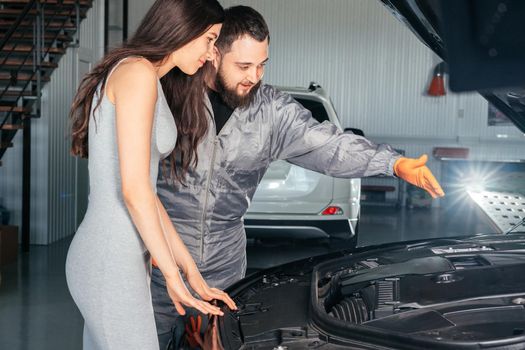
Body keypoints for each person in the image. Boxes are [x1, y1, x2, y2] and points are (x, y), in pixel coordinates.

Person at [152, 5, 444, 348]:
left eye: (262, 65)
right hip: (157, 260)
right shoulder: (170, 93)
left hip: (223, 263)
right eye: (244, 66)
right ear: (213, 53)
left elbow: (330, 145)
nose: (254, 76)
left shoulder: (272, 111)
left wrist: (393, 163)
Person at [65, 1, 237, 348]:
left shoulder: (146, 77)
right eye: (209, 38)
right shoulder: (137, 73)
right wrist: (173, 278)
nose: (210, 52)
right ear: (183, 26)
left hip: (121, 258)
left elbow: (147, 195)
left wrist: (190, 272)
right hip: (109, 258)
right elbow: (134, 192)